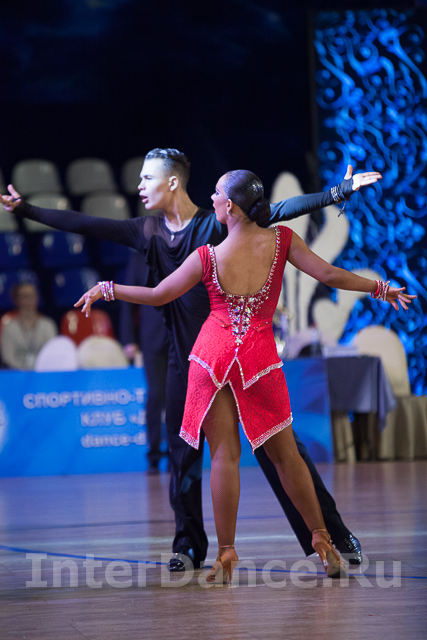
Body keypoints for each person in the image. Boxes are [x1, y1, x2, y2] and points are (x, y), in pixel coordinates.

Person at [1, 148, 382, 572]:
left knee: (283, 452)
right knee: (185, 454)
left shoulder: (214, 224)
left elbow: (278, 209)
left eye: (147, 178)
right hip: (189, 360)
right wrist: (28, 210)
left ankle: (330, 535)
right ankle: (188, 545)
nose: (139, 186)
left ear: (172, 182)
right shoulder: (146, 231)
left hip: (233, 353)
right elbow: (87, 224)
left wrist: (336, 193)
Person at [75, 170, 415, 582]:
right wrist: (380, 288)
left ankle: (226, 554)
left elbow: (160, 294)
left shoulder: (207, 256)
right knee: (287, 457)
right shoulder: (281, 241)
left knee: (224, 456)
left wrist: (109, 289)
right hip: (258, 358)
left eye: (217, 193)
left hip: (212, 357)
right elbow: (329, 275)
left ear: (231, 207)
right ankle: (323, 541)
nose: (212, 198)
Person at [119, 250, 169, 475]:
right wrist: (129, 338)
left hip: (180, 335)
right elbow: (128, 301)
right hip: (152, 336)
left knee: (178, 396)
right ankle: (154, 454)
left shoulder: (181, 249)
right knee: (156, 395)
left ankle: (177, 453)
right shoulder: (138, 258)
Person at [0, 282, 57, 370]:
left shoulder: (48, 325)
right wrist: (24, 372)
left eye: (32, 296)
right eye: (25, 296)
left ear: (37, 298)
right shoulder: (9, 328)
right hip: (17, 374)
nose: (29, 300)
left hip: (43, 372)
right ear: (16, 300)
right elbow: (8, 358)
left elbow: (52, 353)